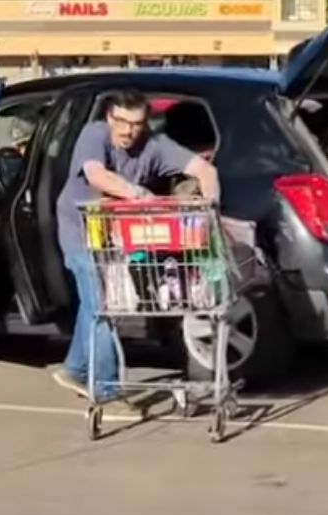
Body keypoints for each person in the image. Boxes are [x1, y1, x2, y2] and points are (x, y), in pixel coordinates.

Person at [51, 89, 219, 403]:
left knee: (97, 305)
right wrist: (140, 195)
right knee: (102, 307)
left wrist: (209, 213)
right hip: (81, 231)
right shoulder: (94, 134)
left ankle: (74, 369)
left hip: (119, 237)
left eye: (137, 124)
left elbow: (205, 171)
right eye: (122, 122)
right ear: (109, 117)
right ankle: (107, 392)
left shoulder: (154, 145)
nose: (129, 131)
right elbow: (97, 175)